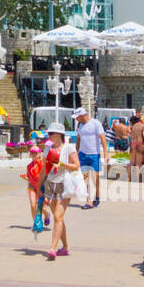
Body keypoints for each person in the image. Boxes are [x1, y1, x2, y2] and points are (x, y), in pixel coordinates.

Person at [38, 128, 85, 259]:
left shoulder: (69, 147)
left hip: (64, 184)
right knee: (58, 217)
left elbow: (76, 166)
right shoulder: (47, 149)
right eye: (49, 134)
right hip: (50, 184)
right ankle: (65, 247)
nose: (49, 136)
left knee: (58, 217)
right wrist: (38, 188)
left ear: (59, 134)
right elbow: (43, 170)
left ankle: (52, 248)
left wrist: (62, 164)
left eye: (51, 133)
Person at [72, 107, 106, 208]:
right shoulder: (80, 125)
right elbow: (78, 139)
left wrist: (106, 154)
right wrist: (76, 153)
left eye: (77, 117)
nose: (76, 119)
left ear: (83, 115)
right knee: (85, 178)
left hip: (94, 154)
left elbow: (103, 139)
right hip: (82, 154)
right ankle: (88, 201)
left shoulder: (96, 123)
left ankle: (97, 196)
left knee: (95, 179)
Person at [22, 144, 49, 231]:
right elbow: (29, 177)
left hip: (41, 188)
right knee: (33, 205)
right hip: (31, 187)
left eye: (36, 153)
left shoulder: (42, 164)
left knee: (42, 208)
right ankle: (36, 224)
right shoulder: (29, 166)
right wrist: (26, 177)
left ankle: (47, 215)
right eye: (32, 153)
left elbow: (46, 176)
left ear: (40, 154)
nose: (34, 154)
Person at [129, 111, 144, 176]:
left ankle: (129, 177)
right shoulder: (143, 126)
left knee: (131, 162)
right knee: (138, 163)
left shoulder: (134, 125)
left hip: (132, 143)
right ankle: (137, 177)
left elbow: (130, 134)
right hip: (140, 143)